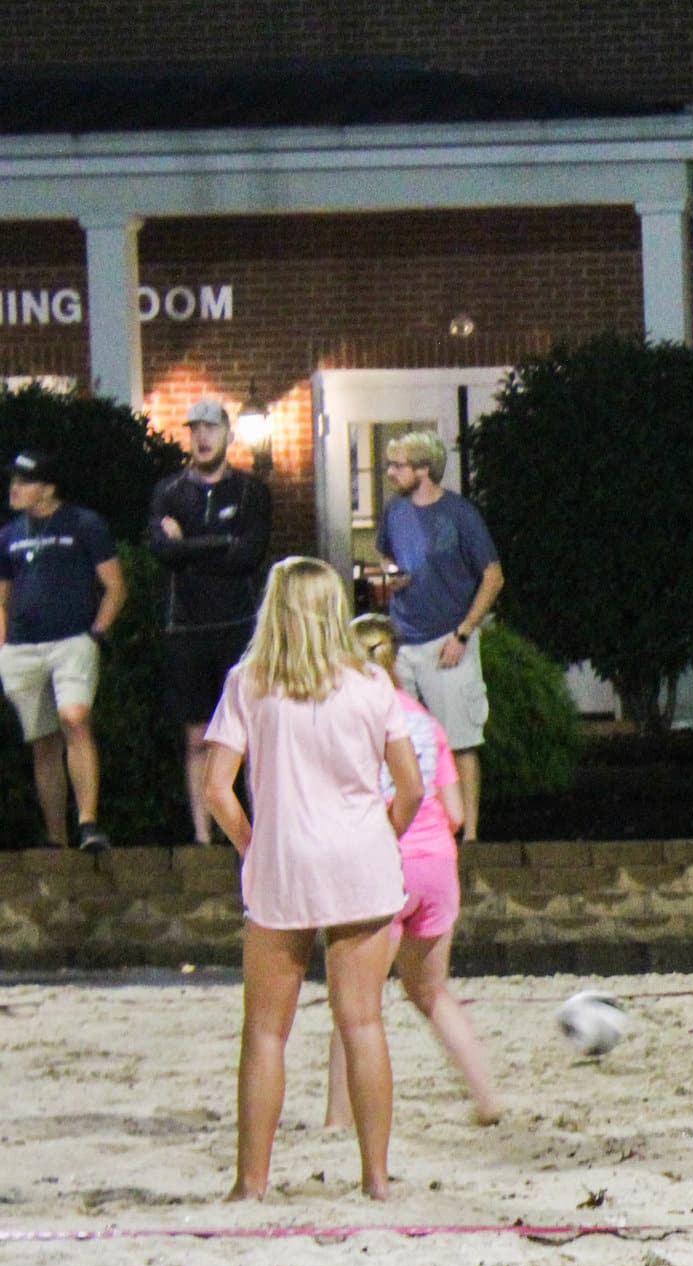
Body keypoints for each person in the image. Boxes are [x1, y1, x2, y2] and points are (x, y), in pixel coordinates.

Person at [202, 559, 423, 1202]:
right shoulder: (371, 685)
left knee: (267, 1032)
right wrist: (383, 834)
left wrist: (252, 843)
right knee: (363, 1024)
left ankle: (252, 1184)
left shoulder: (249, 682)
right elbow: (409, 788)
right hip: (360, 857)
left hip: (284, 860)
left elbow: (217, 790)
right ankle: (376, 1179)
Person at [323, 614, 503, 1123]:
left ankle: (338, 1117)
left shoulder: (348, 721)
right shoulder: (425, 722)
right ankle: (487, 1098)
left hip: (385, 864)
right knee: (432, 993)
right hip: (437, 868)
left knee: (352, 1002)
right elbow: (457, 812)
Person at [148, 398, 274, 845]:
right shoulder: (169, 491)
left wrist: (191, 544)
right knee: (197, 736)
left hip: (238, 626)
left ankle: (256, 834)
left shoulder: (250, 492)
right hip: (186, 627)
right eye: (194, 429)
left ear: (228, 435)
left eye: (210, 428)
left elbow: (248, 556)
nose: (201, 437)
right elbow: (162, 551)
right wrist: (219, 542)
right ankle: (203, 836)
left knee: (250, 734)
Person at [368, 430, 499, 841]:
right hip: (403, 642)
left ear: (424, 469)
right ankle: (417, 831)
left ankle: (471, 834)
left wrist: (463, 633)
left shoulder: (460, 514)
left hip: (448, 640)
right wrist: (392, 574)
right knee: (404, 741)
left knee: (459, 739)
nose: (390, 472)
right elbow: (385, 554)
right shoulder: (394, 511)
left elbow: (493, 577)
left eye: (399, 465)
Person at [1, 449, 125, 851]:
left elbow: (115, 586)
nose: (14, 488)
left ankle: (88, 822)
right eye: (13, 481)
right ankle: (57, 839)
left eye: (25, 481)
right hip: (22, 648)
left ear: (48, 488)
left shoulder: (83, 524)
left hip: (72, 641)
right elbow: (1, 598)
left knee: (75, 718)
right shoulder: (9, 535)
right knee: (43, 743)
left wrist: (97, 632)